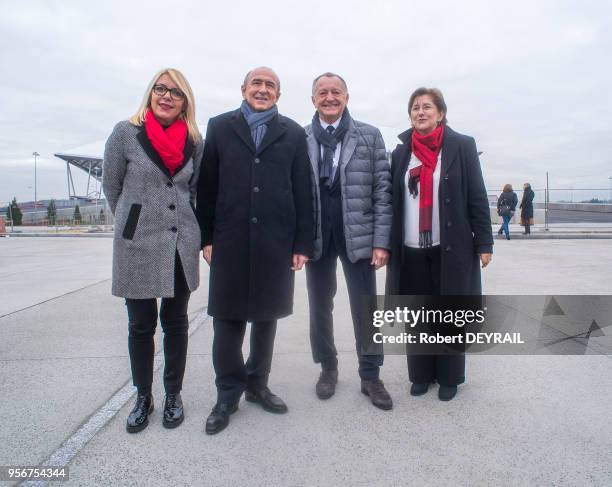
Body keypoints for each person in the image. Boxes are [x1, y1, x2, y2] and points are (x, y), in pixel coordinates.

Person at [196, 67, 313, 435]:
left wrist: (302, 244)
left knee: (266, 319)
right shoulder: (219, 127)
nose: (263, 90)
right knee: (227, 321)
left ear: (278, 93)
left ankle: (258, 385)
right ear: (243, 89)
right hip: (229, 239)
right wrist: (207, 237)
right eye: (257, 84)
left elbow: (303, 191)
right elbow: (207, 185)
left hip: (275, 242)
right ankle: (227, 393)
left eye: (271, 85)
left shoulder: (293, 133)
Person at [103, 68, 203, 432]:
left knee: (175, 323)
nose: (166, 96)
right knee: (140, 325)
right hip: (138, 242)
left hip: (180, 243)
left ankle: (173, 394)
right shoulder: (125, 134)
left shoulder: (194, 140)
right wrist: (133, 222)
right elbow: (112, 187)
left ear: (185, 102)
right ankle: (143, 397)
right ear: (150, 93)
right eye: (160, 89)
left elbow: (194, 191)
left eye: (175, 92)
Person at [385, 87, 493, 401]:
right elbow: (392, 201)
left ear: (440, 113)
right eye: (415, 108)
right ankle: (421, 374)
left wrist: (484, 242)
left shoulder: (461, 146)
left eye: (427, 107)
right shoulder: (401, 153)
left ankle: (449, 377)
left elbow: (476, 195)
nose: (421, 112)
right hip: (410, 249)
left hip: (451, 248)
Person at [304, 72, 393, 410]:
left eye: (336, 92)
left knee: (365, 306)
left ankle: (370, 375)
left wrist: (381, 241)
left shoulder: (369, 136)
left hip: (358, 230)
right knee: (319, 304)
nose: (329, 97)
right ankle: (328, 367)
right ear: (313, 99)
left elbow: (382, 192)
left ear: (346, 97)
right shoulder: (301, 138)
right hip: (317, 233)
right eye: (322, 92)